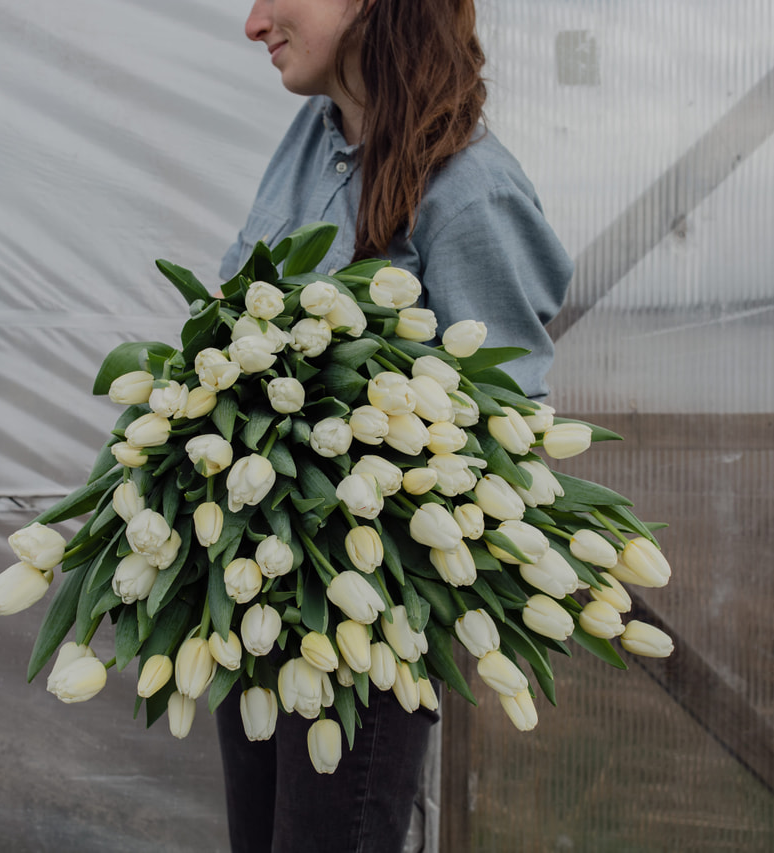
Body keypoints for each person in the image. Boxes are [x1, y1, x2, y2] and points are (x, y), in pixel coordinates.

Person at [215, 1, 574, 850]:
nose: (254, 21)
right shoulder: (314, 134)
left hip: (363, 636)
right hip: (253, 600)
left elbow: (504, 444)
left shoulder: (471, 191)